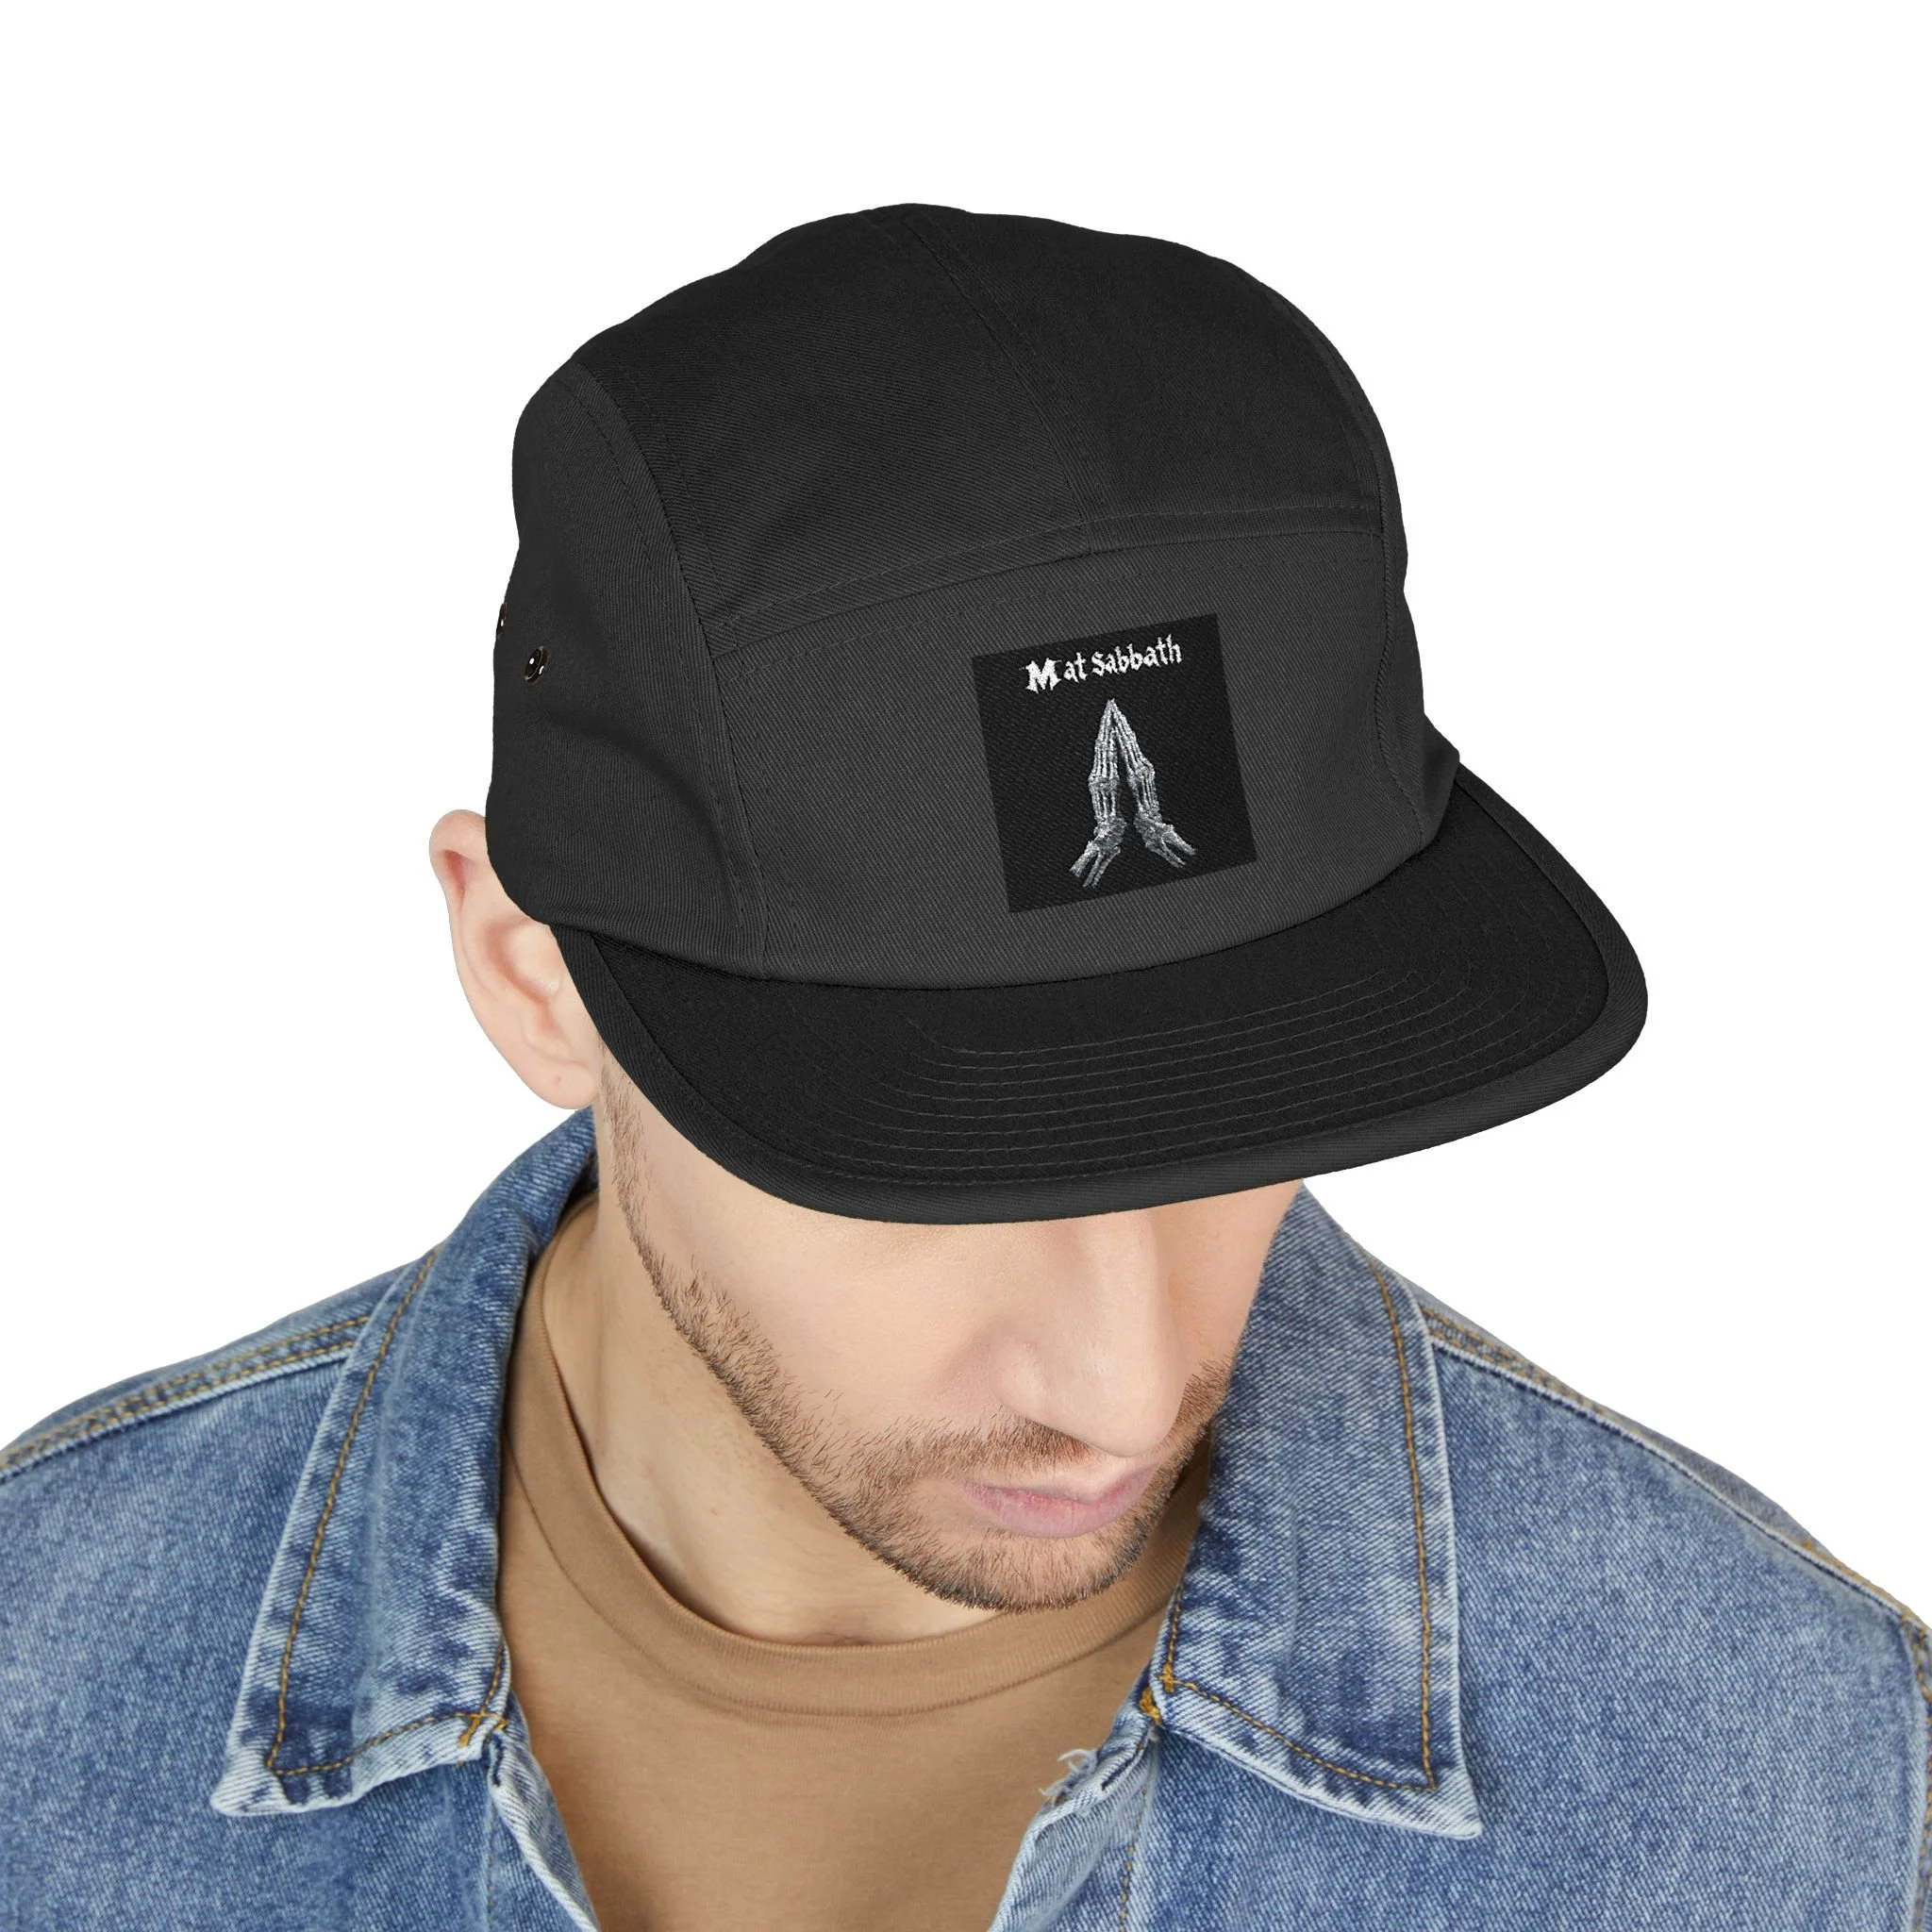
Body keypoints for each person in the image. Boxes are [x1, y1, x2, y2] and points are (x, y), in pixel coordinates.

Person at [1, 206, 1924, 1932]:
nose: (1124, 1384)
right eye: (942, 1169)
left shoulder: (1814, 1790)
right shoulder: (40, 1689)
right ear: (533, 976)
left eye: (1239, 1126)